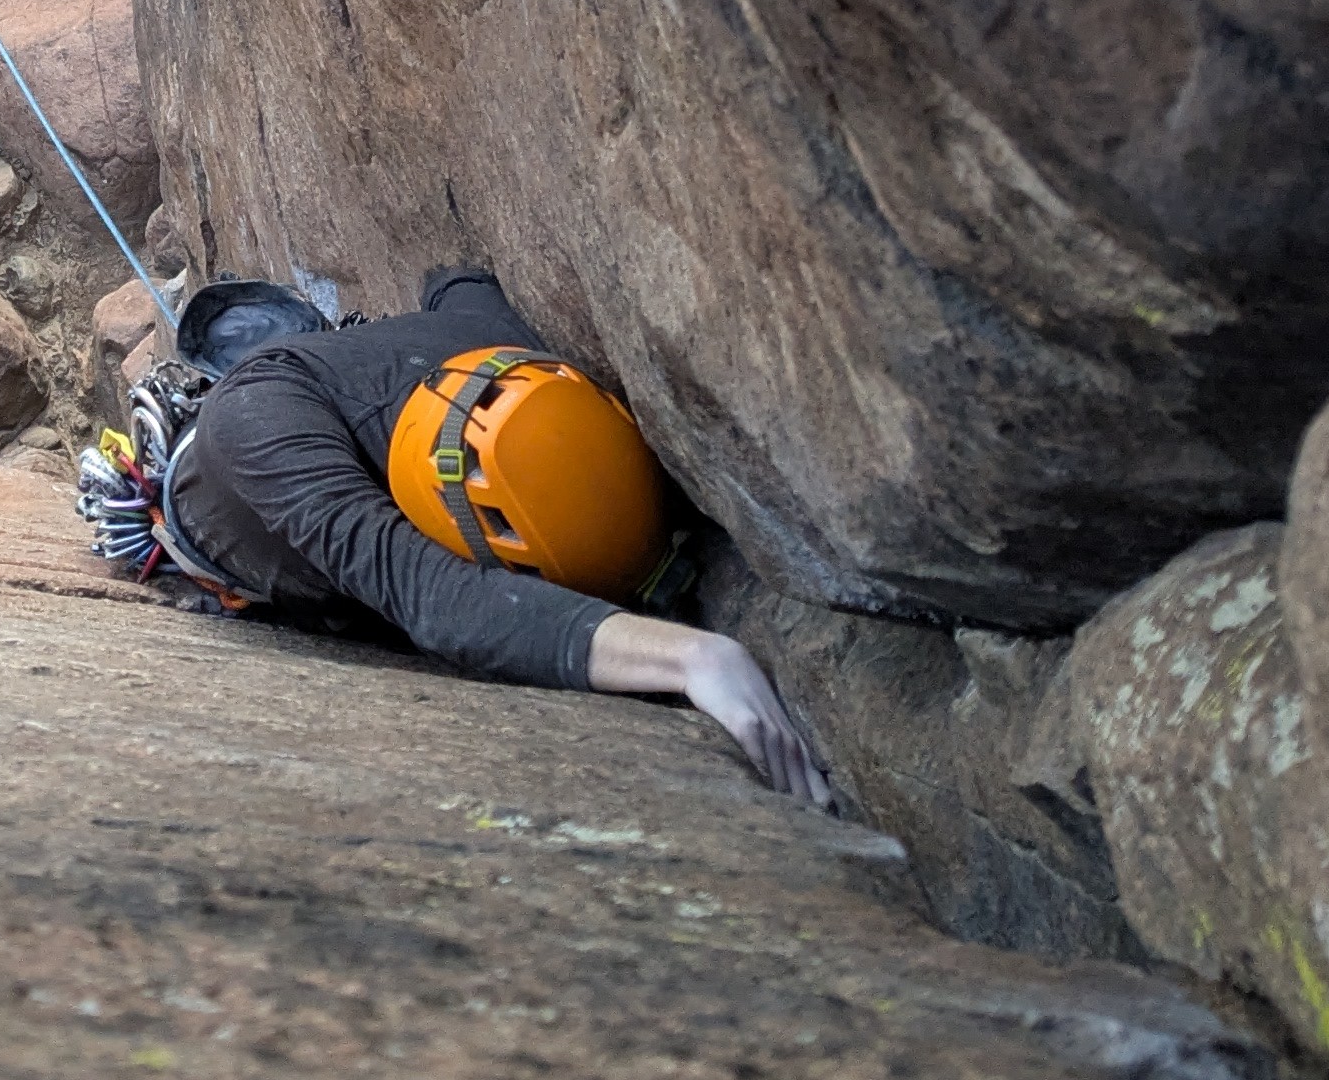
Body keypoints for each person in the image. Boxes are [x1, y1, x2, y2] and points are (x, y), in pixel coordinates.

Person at [141, 266, 836, 804]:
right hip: (216, 488)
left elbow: (459, 280)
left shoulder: (499, 340)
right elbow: (426, 592)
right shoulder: (252, 426)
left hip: (351, 381)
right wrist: (692, 658)